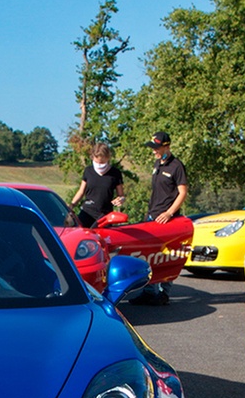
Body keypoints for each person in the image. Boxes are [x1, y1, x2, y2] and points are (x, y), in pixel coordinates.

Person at [137, 131, 187, 305]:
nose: (154, 151)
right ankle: (149, 291)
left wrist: (169, 213)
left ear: (167, 146)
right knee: (150, 255)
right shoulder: (158, 164)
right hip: (152, 216)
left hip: (168, 219)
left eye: (157, 148)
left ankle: (164, 292)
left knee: (166, 256)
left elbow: (182, 193)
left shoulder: (176, 166)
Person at [70, 142, 125, 227]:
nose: (99, 165)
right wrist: (71, 205)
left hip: (105, 215)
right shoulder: (88, 171)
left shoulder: (115, 173)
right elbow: (81, 192)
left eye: (102, 162)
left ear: (108, 158)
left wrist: (120, 199)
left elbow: (121, 195)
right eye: (96, 162)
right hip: (87, 211)